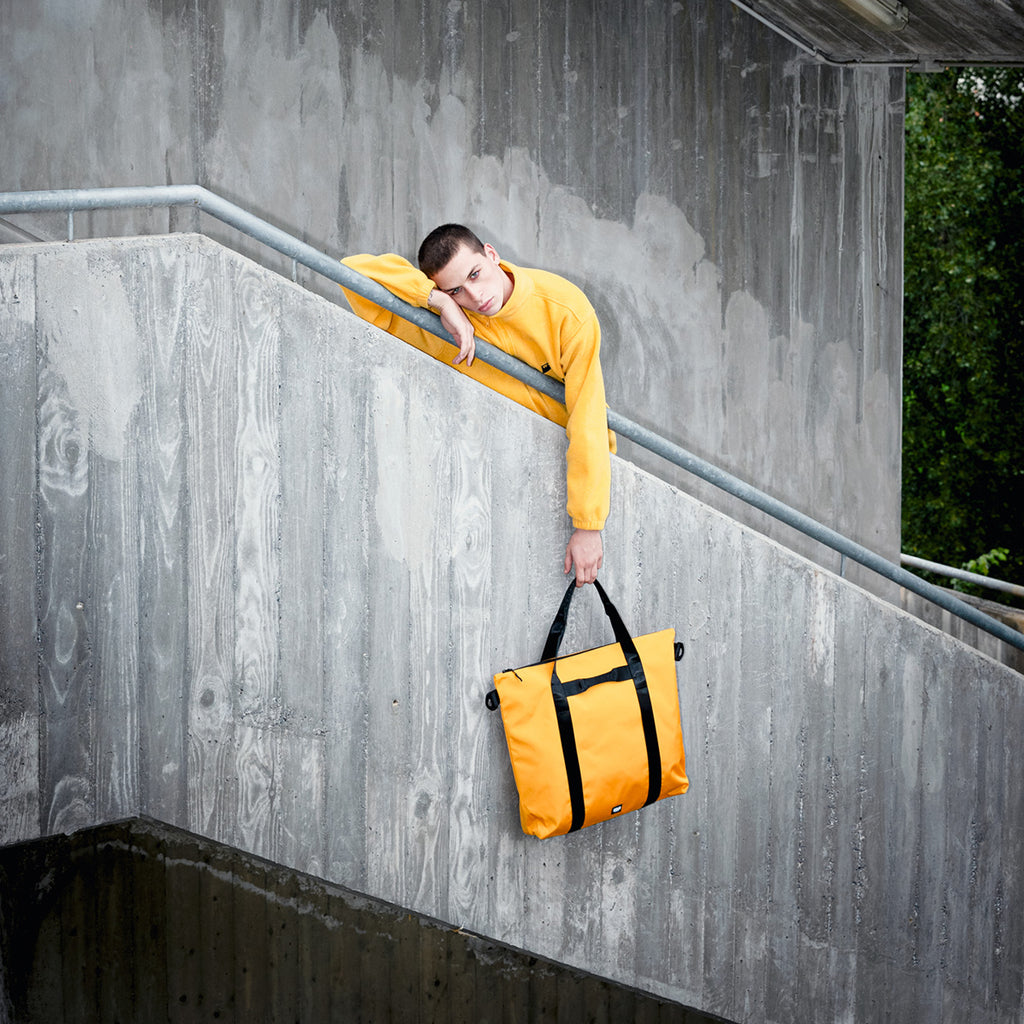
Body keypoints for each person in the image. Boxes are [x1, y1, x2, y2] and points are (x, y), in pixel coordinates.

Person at [340, 225, 614, 586]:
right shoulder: (442, 324)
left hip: (576, 480)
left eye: (475, 274)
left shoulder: (565, 310)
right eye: (457, 290)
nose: (475, 295)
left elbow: (588, 419)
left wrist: (588, 525)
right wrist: (438, 303)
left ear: (491, 254)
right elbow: (352, 271)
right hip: (487, 489)